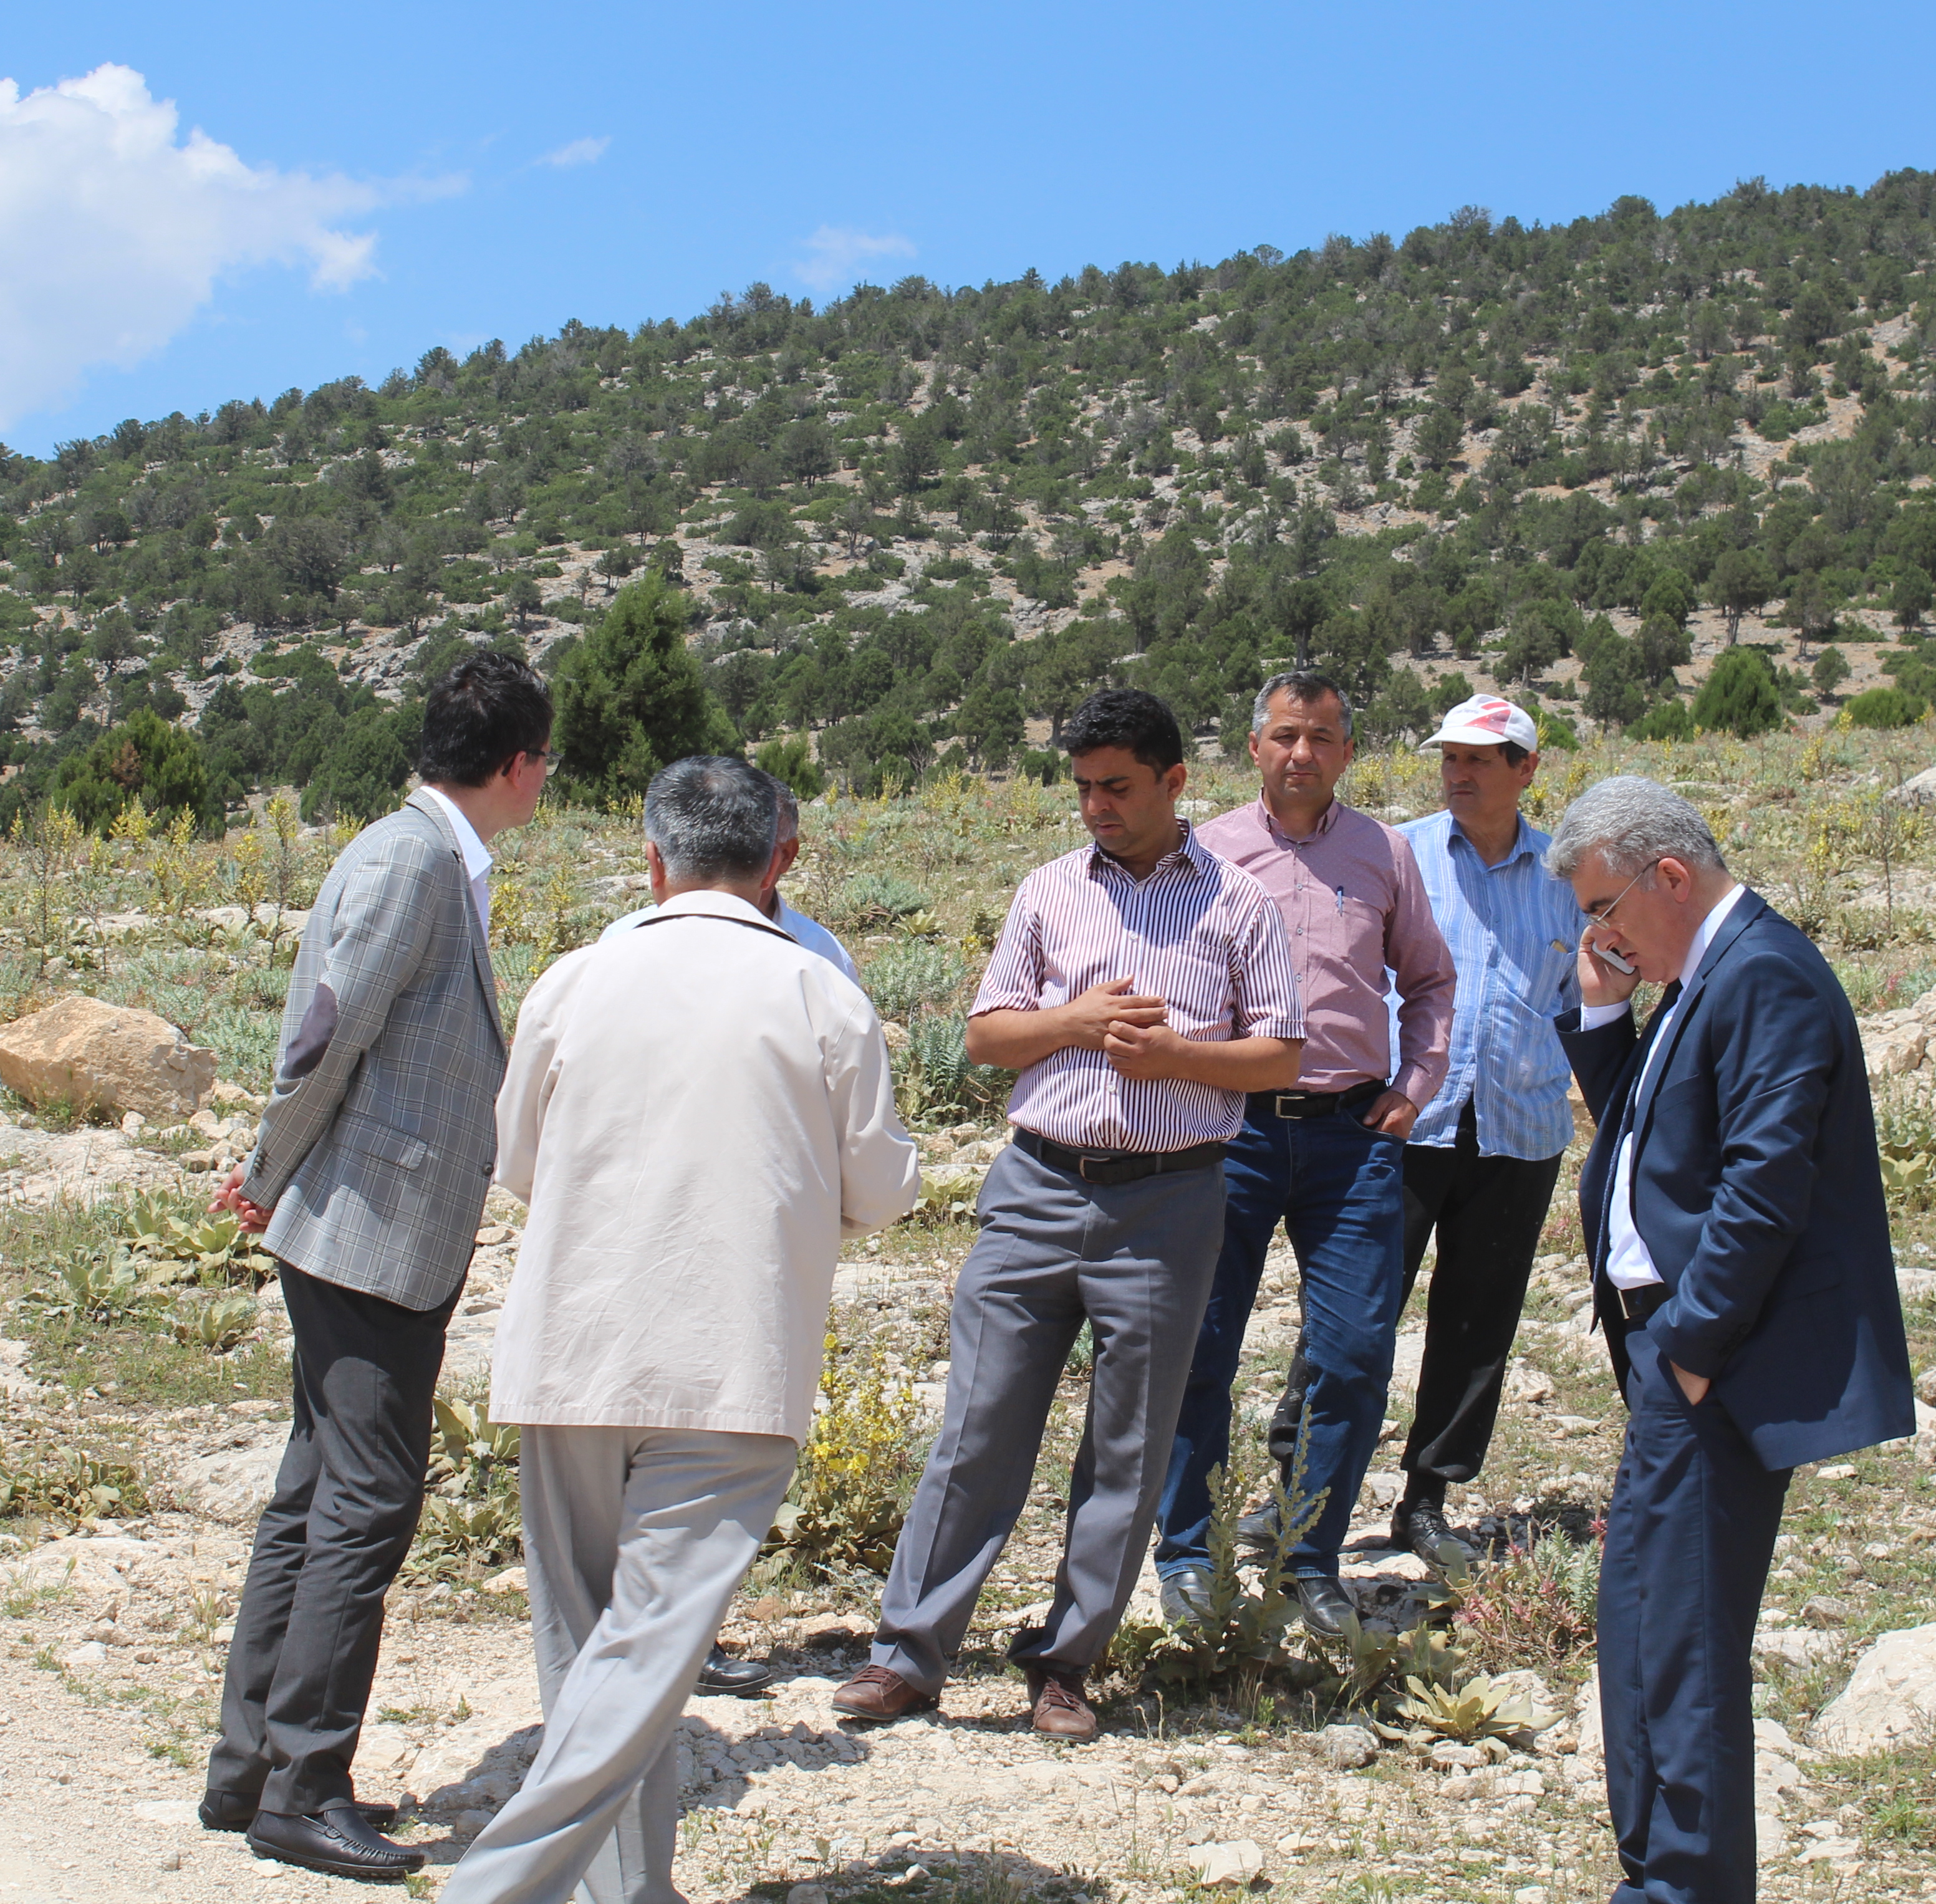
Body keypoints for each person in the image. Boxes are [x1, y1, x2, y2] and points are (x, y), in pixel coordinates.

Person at [451, 757, 918, 1904]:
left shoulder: (574, 979)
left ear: (651, 860)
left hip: (569, 1352)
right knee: (648, 1655)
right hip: (731, 1363)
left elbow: (513, 1164)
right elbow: (883, 1191)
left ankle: (627, 1892)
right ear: (778, 861)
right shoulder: (820, 993)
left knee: (590, 1655)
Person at [836, 688, 1304, 1743]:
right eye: (1083, 787)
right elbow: (987, 1037)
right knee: (977, 1424)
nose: (1094, 806)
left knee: (1127, 1443)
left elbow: (1280, 1054)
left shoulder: (1238, 906)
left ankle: (1064, 1662)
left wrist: (1175, 1055)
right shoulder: (1047, 891)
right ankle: (907, 1653)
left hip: (1170, 1200)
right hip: (1036, 1189)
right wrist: (1075, 1024)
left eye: (1117, 787)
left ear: (1173, 783)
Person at [201, 648, 554, 1884]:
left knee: (316, 1491)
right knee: (367, 1502)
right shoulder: (413, 862)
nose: (544, 784)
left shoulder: (421, 855)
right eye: (542, 765)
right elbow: (325, 1039)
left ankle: (250, 1768)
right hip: (366, 1226)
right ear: (517, 764)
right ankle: (301, 1785)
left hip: (367, 1222)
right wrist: (264, 1168)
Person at [1549, 775, 1912, 1904]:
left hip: (1706, 1359)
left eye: (1602, 909)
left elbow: (1763, 1186)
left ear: (1667, 876)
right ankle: (1657, 1876)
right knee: (1643, 1623)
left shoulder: (1761, 974)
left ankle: (1681, 1887)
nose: (1595, 934)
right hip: (1677, 1355)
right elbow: (1658, 1136)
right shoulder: (1707, 974)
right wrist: (1602, 1009)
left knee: (1680, 1641)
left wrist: (1692, 1350)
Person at [1150, 673, 1453, 1637]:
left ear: (1349, 752)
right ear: (1254, 747)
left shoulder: (1384, 853)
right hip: (1227, 1129)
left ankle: (1307, 1555)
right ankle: (1188, 1554)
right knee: (1202, 1345)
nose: (1302, 755)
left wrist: (1416, 1086)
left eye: (1323, 737)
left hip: (1350, 1137)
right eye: (1286, 735)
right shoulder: (1206, 852)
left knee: (1358, 1354)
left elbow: (1432, 981)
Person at [598, 780, 854, 1700]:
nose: (773, 860)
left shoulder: (819, 956)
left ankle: (675, 1639)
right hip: (644, 1238)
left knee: (713, 1442)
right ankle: (641, 1646)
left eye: (783, 845)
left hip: (752, 1251)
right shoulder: (624, 948)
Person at [1382, 693, 1586, 1571]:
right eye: (1450, 759)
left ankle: (1427, 1501)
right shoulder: (1401, 853)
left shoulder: (1571, 874)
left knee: (1477, 1324)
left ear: (1527, 770)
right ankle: (1299, 1492)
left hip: (1521, 1126)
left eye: (1479, 760)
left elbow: (1592, 1000)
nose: (1459, 774)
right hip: (1400, 1122)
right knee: (1354, 1315)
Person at [595, 779, 854, 986]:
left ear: (784, 857)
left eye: (747, 847)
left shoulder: (822, 954)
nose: (722, 858)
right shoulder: (621, 940)